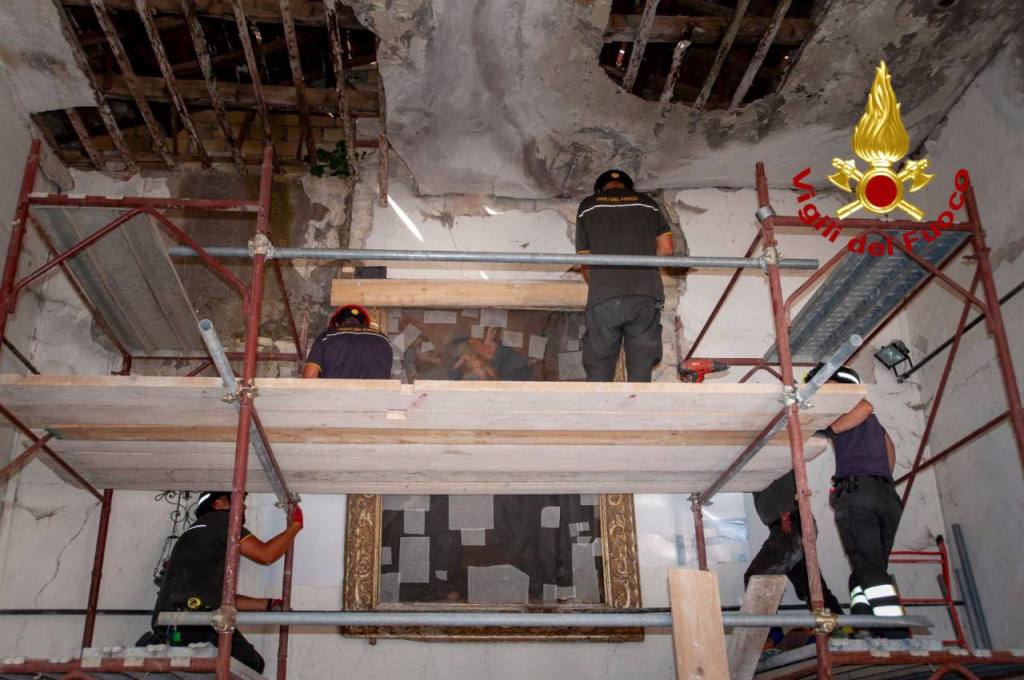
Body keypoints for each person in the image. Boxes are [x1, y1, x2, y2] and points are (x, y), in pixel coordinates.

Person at [138, 491, 303, 672]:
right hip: (196, 622)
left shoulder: (198, 532)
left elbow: (221, 599)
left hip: (175, 622)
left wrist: (268, 604)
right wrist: (295, 526)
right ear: (217, 504)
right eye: (238, 501)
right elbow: (266, 554)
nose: (245, 507)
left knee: (248, 664)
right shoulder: (221, 521)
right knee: (250, 664)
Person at [806, 364, 906, 629]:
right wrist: (879, 477)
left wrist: (830, 431)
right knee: (869, 567)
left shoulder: (851, 406)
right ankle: (866, 624)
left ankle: (893, 631)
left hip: (857, 492)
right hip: (885, 494)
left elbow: (865, 406)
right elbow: (890, 448)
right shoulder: (875, 426)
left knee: (868, 566)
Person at [575, 169, 674, 382]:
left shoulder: (588, 206)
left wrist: (600, 287)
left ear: (600, 188)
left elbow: (585, 259)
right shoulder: (648, 204)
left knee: (599, 364)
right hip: (645, 293)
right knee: (641, 362)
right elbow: (667, 250)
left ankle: (598, 411)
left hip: (604, 295)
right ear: (628, 187)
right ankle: (638, 412)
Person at [746, 470, 844, 615]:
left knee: (757, 578)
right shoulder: (755, 466)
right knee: (811, 587)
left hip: (791, 526)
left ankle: (771, 635)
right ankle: (840, 629)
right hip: (789, 527)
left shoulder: (773, 454)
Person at [302, 304, 393, 379]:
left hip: (335, 398)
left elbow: (309, 376)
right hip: (376, 399)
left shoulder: (326, 337)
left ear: (337, 324)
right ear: (364, 323)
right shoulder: (383, 340)